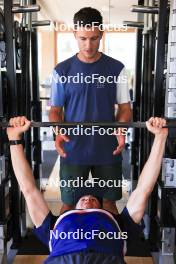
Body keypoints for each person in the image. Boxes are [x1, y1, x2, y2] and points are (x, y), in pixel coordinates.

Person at [7, 116, 168, 264]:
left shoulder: (53, 226)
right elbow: (144, 189)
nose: (88, 199)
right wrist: (13, 138)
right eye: (87, 198)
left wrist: (161, 137)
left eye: (92, 199)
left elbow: (29, 189)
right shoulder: (121, 224)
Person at [49, 7, 132, 214]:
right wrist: (58, 131)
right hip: (73, 147)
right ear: (75, 34)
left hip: (107, 148)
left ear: (101, 34)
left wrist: (121, 129)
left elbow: (124, 108)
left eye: (94, 38)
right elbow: (55, 110)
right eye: (83, 38)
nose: (88, 45)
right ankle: (64, 245)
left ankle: (110, 245)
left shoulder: (117, 68)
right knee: (69, 203)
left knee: (109, 203)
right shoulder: (62, 70)